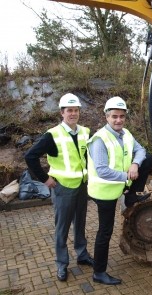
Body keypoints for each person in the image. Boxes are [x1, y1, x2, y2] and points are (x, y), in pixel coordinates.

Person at [24, 93, 93, 282]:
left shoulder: (86, 132)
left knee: (80, 223)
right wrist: (45, 179)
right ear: (62, 113)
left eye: (76, 110)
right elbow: (30, 156)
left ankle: (82, 255)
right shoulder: (52, 135)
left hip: (81, 186)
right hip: (62, 188)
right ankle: (62, 264)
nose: (73, 113)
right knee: (61, 228)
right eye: (69, 110)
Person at [87, 96, 152, 285]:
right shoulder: (99, 140)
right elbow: (101, 170)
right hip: (104, 192)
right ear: (106, 117)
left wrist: (134, 164)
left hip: (119, 187)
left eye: (121, 116)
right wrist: (127, 176)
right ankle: (99, 272)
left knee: (148, 158)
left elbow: (141, 150)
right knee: (105, 232)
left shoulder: (125, 133)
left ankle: (130, 196)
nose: (118, 120)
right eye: (114, 116)